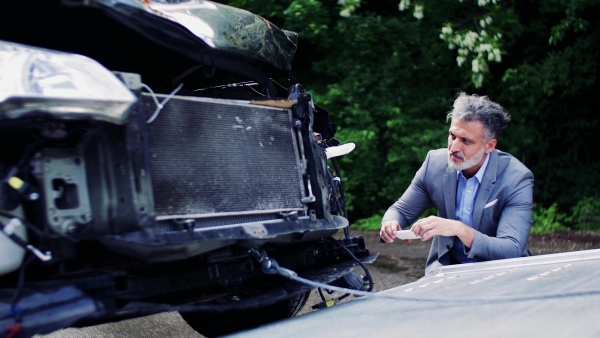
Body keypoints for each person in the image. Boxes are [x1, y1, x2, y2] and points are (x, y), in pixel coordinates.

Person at [380, 92, 534, 276]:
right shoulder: (434, 164)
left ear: (490, 146)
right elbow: (401, 210)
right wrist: (390, 222)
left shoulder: (516, 178)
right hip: (447, 272)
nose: (453, 148)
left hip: (501, 274)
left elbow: (511, 249)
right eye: (452, 136)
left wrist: (459, 229)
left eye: (465, 141)